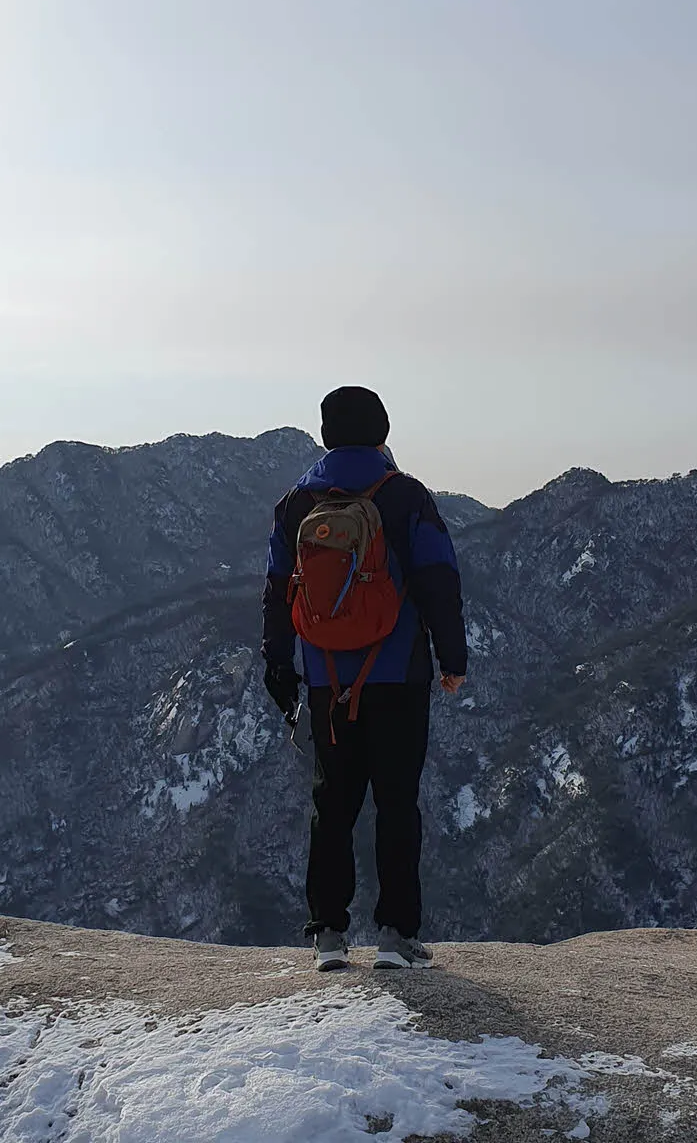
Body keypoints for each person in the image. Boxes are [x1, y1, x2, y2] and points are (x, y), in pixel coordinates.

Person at [261, 387, 468, 971]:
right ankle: (396, 937)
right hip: (397, 674)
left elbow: (278, 592)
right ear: (381, 431)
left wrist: (280, 665)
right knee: (396, 801)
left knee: (334, 801)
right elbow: (437, 581)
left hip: (326, 679)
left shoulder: (297, 505)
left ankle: (328, 933)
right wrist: (453, 660)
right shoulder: (404, 496)